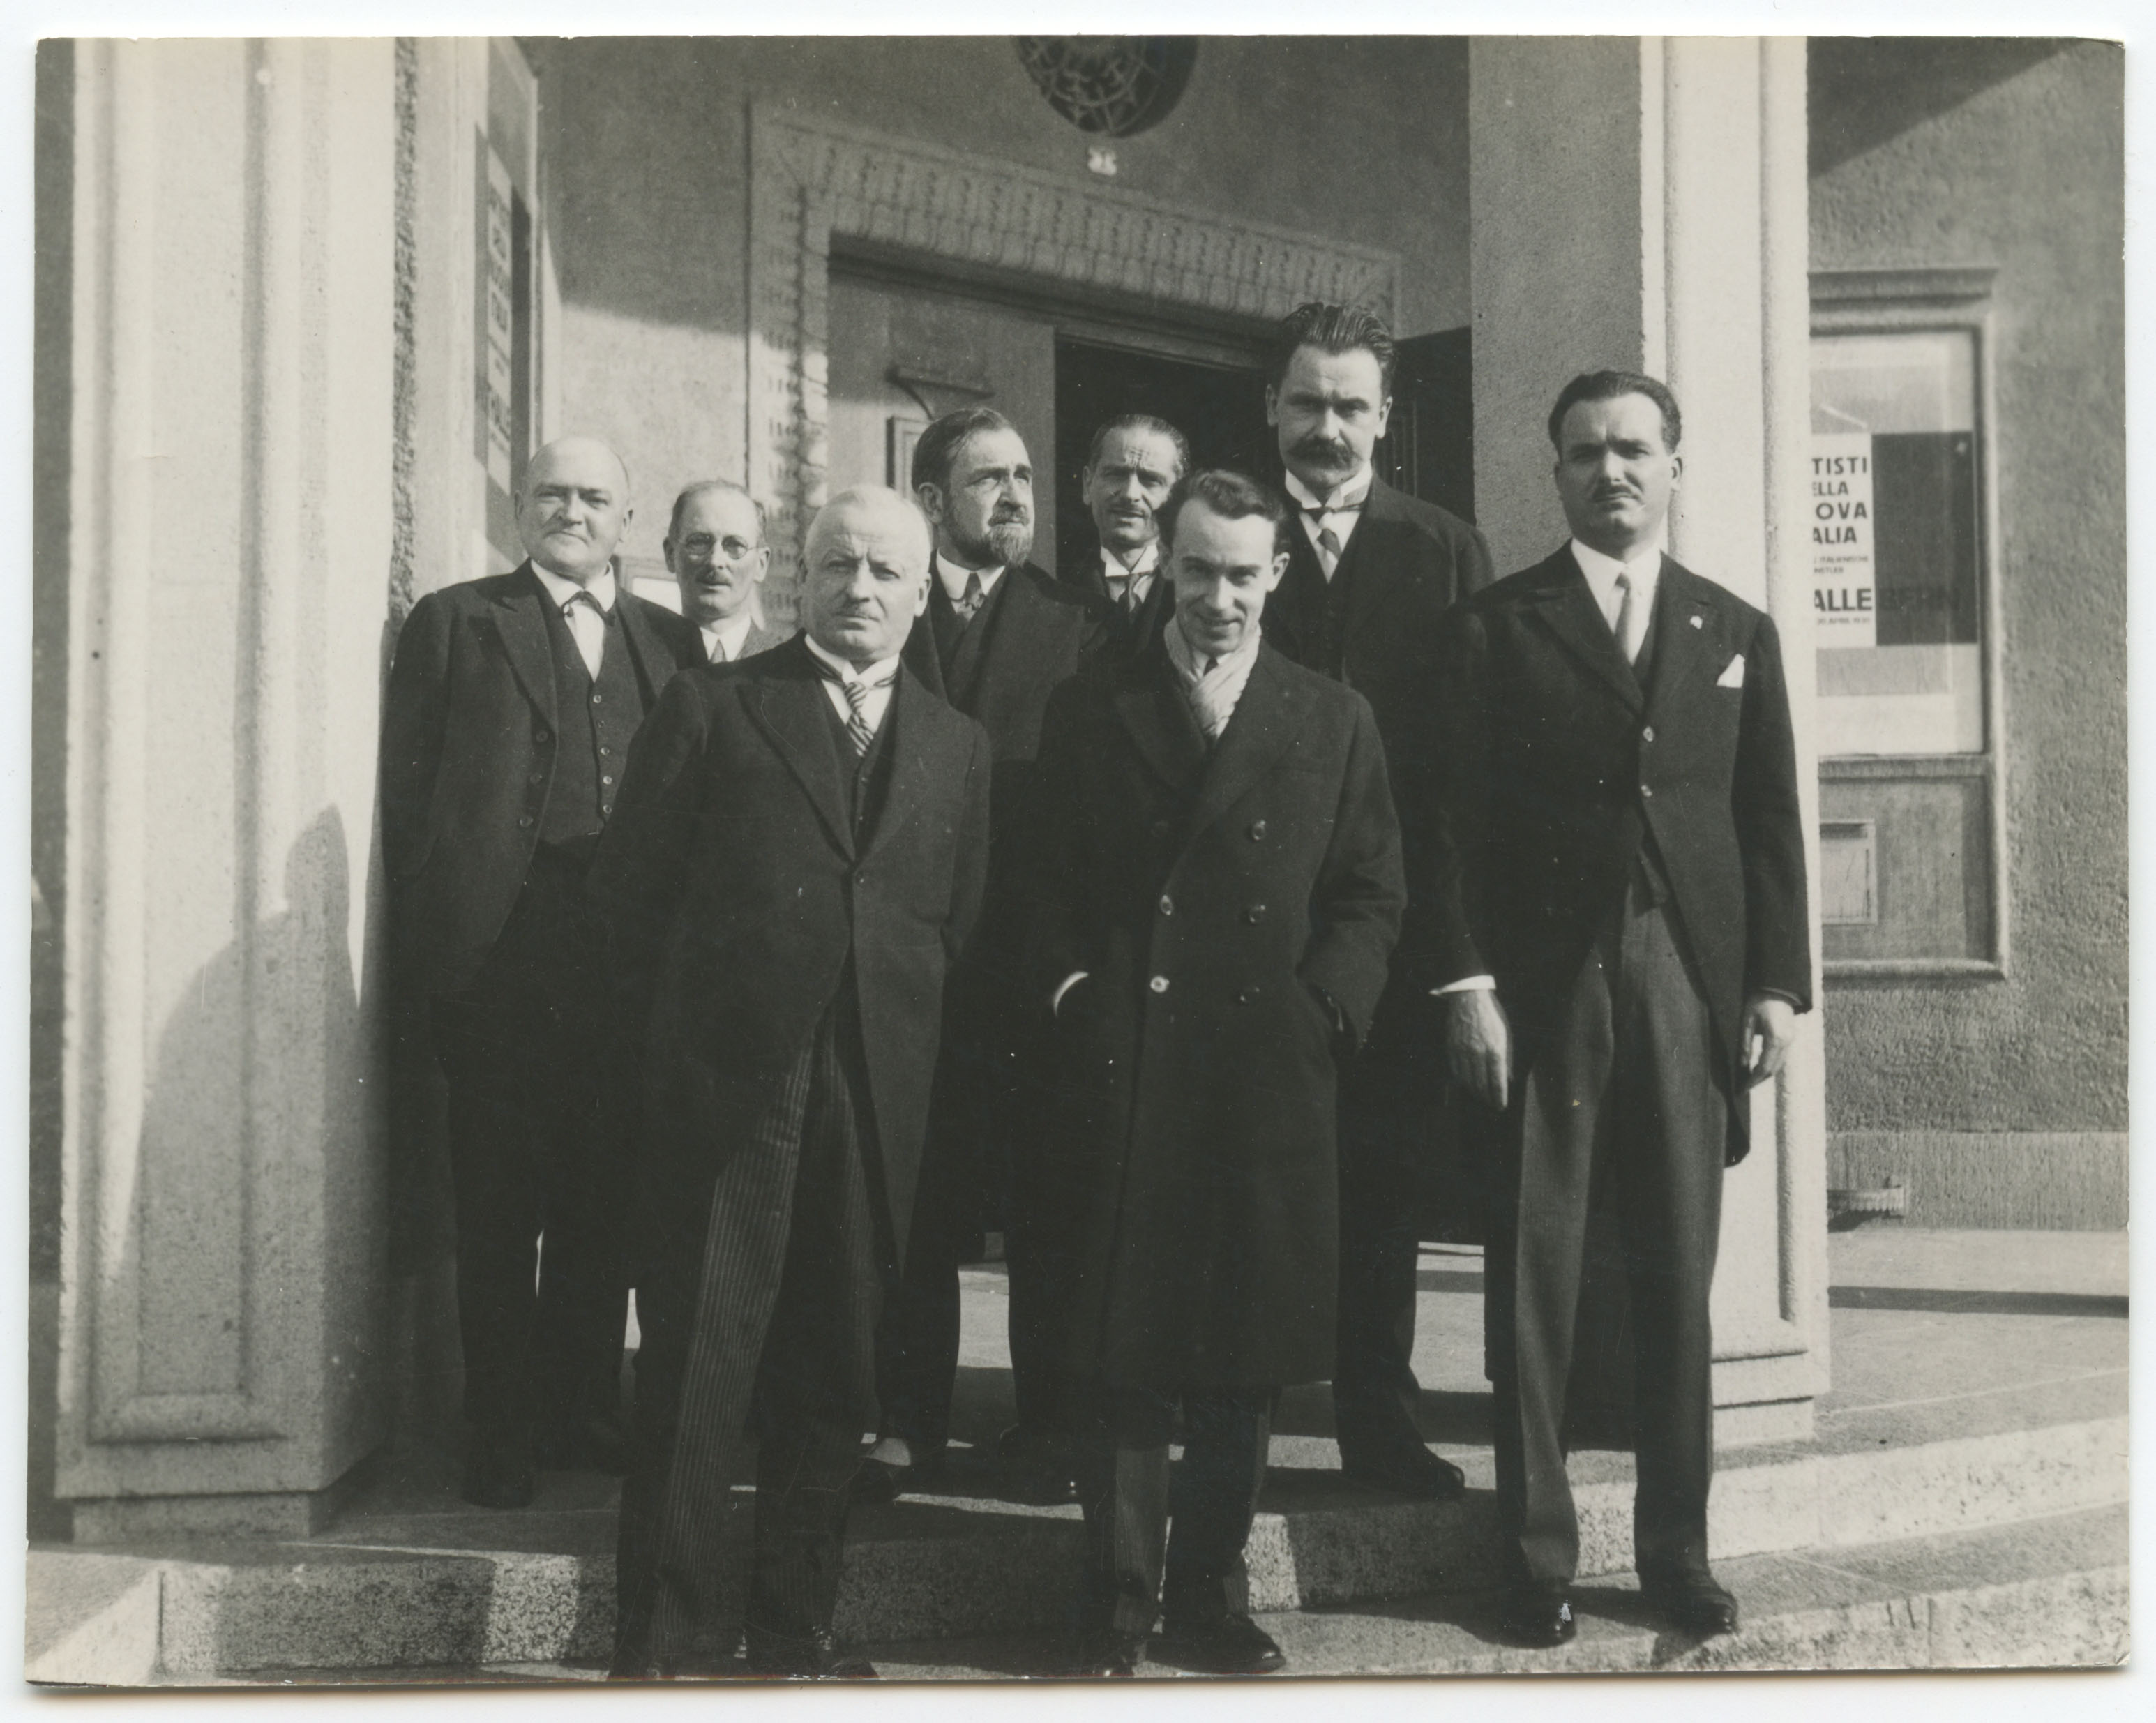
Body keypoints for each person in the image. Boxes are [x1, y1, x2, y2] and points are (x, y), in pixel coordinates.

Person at [1428, 371, 1811, 1646]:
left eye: (1634, 449)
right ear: (1557, 474)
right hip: (1545, 983)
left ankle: (1675, 1557)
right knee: (1534, 1277)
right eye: (1586, 453)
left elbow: (1765, 824)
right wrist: (1467, 981)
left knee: (1675, 1277)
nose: (1612, 472)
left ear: (1675, 464)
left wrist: (1768, 983)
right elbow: (1450, 826)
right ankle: (1534, 1558)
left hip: (1684, 981)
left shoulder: (1732, 631)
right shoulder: (1498, 625)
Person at [596, 486, 992, 1679]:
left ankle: (791, 1632)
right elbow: (633, 905)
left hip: (875, 1096)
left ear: (923, 594)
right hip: (734, 1098)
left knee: (834, 1377)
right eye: (835, 566)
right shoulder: (715, 708)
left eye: (884, 572)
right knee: (701, 1367)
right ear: (799, 578)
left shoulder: (960, 750)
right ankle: (659, 1644)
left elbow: (953, 927)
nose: (858, 590)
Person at [1027, 470, 1406, 1677]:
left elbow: (1370, 895)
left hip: (1263, 1073)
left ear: (1278, 575)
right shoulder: (1094, 707)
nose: (1220, 599)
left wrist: (1321, 1016)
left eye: (1245, 574)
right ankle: (1119, 1597)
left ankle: (1209, 1595)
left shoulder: (1332, 716)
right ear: (1167, 562)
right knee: (1125, 1345)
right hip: (1129, 1068)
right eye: (1199, 571)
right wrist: (1078, 1000)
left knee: (1244, 1351)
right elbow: (1044, 894)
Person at [379, 437, 702, 1509]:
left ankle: (580, 1408)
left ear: (626, 517)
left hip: (628, 974)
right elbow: (409, 797)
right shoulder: (460, 620)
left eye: (595, 496)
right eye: (554, 492)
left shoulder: (671, 638)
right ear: (524, 507)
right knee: (498, 1206)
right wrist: (443, 939)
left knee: (602, 1205)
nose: (573, 509)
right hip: (504, 965)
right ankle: (498, 1429)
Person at [1260, 300, 1494, 1500]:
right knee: (1243, 1177)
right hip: (1253, 928)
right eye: (1307, 402)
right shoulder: (1230, 532)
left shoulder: (1444, 548)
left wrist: (1459, 962)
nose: (1329, 428)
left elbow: (1462, 771)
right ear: (1271, 408)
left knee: (1383, 1180)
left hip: (1392, 928)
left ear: (1387, 419)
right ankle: (1232, 1422)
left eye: (1352, 406)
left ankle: (1379, 1421)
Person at [859, 407, 1110, 1505]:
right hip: (904, 966)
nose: (1016, 495)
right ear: (927, 499)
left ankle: (1051, 1420)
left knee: (1049, 1203)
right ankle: (905, 1420)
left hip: (1027, 967)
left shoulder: (1078, 622)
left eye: (1023, 476)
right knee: (914, 1201)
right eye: (987, 479)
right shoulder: (879, 609)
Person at [1064, 413, 1188, 651]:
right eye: (1116, 475)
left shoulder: (1195, 592)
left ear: (1177, 498)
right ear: (1087, 485)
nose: (1131, 494)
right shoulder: (1051, 593)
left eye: (1150, 480)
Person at [662, 480, 791, 662]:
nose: (715, 561)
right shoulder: (641, 657)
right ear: (670, 554)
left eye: (735, 546)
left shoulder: (790, 667)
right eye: (699, 542)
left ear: (761, 565)